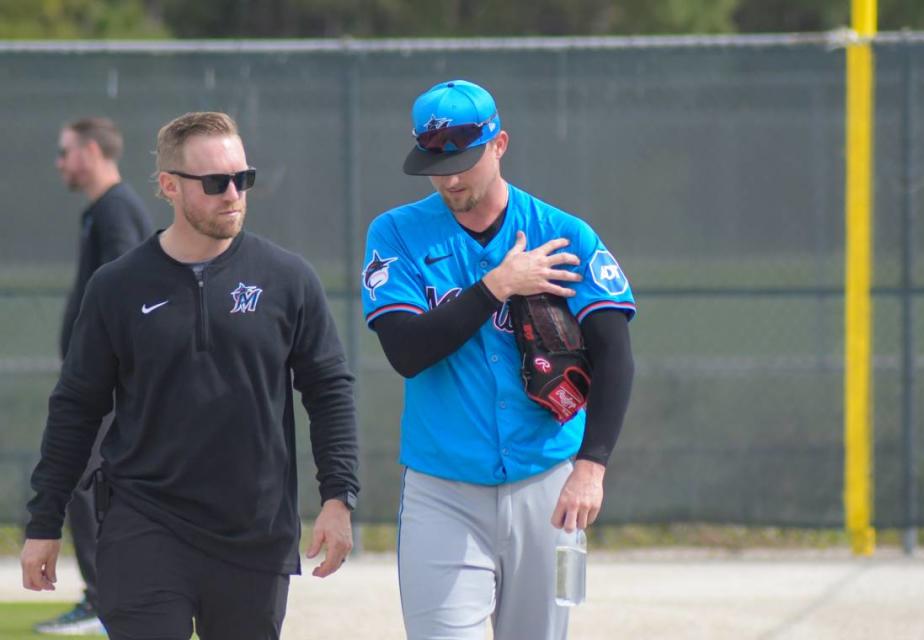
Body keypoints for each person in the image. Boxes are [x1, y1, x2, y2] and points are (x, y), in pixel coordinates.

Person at [21, 111, 359, 640]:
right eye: (215, 182)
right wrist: (44, 523)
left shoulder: (289, 280)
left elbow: (329, 391)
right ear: (169, 187)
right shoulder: (117, 287)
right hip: (143, 526)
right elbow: (75, 408)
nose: (233, 194)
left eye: (242, 179)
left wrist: (339, 498)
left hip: (254, 534)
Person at [362, 79, 636, 639]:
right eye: (436, 165)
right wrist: (496, 286)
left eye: (463, 160)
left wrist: (592, 465)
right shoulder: (397, 234)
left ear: (500, 144)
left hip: (547, 483)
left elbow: (614, 352)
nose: (451, 178)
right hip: (443, 489)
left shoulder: (561, 235)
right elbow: (407, 352)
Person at [34, 117, 154, 636]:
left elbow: (127, 295)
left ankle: (107, 601)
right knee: (85, 484)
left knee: (87, 483)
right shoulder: (99, 212)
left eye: (65, 153)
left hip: (109, 385)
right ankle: (104, 597)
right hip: (93, 382)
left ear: (88, 151)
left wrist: (106, 372)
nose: (59, 163)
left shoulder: (117, 211)